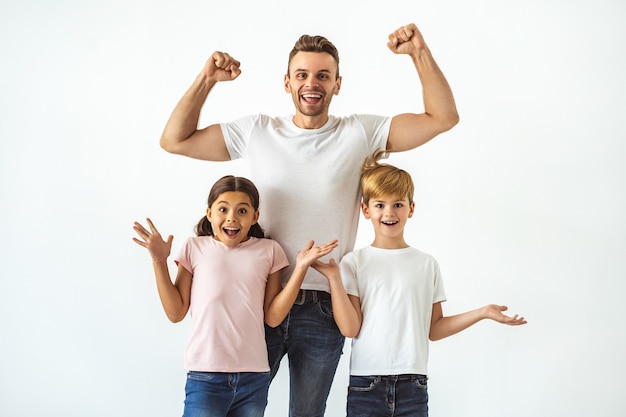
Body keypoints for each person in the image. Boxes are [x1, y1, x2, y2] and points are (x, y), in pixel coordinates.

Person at [159, 22, 459, 416]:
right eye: (302, 74)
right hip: (256, 300)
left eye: (323, 75)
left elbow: (442, 118)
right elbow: (174, 140)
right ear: (287, 82)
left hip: (323, 306)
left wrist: (419, 52)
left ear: (337, 83)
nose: (311, 83)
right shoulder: (256, 131)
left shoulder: (361, 133)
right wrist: (207, 79)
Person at [312, 152, 527, 417]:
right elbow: (350, 328)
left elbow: (434, 329)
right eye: (380, 205)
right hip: (366, 383)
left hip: (413, 385)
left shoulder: (427, 264)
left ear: (411, 208)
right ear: (366, 210)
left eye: (398, 204)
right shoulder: (353, 263)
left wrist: (482, 313)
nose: (389, 212)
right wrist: (334, 279)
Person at [132, 175, 338, 417]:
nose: (232, 217)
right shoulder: (194, 248)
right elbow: (175, 312)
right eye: (223, 209)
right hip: (205, 375)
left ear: (255, 216)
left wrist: (300, 268)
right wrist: (159, 262)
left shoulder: (269, 251)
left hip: (254, 378)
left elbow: (272, 317)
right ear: (209, 213)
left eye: (242, 210)